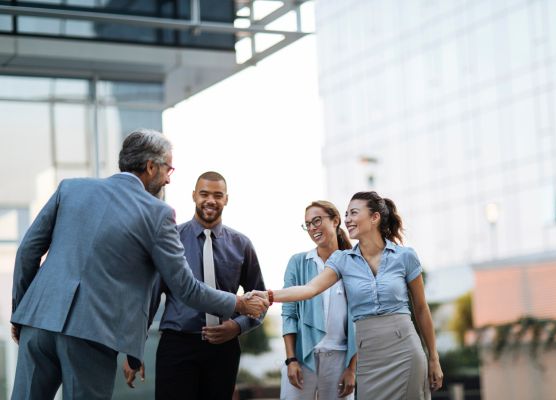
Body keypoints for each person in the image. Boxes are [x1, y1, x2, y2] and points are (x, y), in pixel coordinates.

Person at [10, 129, 268, 400]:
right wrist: (238, 304)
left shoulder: (70, 188)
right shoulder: (158, 213)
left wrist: (20, 311)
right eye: (169, 169)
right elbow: (186, 288)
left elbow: (28, 250)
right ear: (150, 167)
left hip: (37, 323)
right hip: (92, 332)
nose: (169, 178)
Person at [252, 191, 443, 400]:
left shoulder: (405, 256)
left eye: (353, 213)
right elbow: (309, 289)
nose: (347, 220)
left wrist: (434, 357)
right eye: (346, 214)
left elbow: (422, 309)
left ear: (374, 217)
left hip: (405, 348)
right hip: (368, 355)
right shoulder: (342, 260)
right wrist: (269, 295)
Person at [139, 171, 266, 400]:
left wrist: (237, 327)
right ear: (194, 195)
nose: (211, 200)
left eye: (218, 195)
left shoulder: (242, 245)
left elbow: (260, 302)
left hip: (223, 349)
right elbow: (150, 298)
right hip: (177, 345)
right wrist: (135, 349)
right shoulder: (172, 239)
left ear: (226, 199)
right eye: (204, 194)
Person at [281, 200, 357, 400]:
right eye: (308, 224)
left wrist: (352, 368)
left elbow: (360, 318)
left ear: (335, 221)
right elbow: (288, 314)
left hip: (340, 359)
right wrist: (291, 360)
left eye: (317, 220)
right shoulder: (298, 263)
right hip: (302, 357)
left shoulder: (354, 263)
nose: (313, 228)